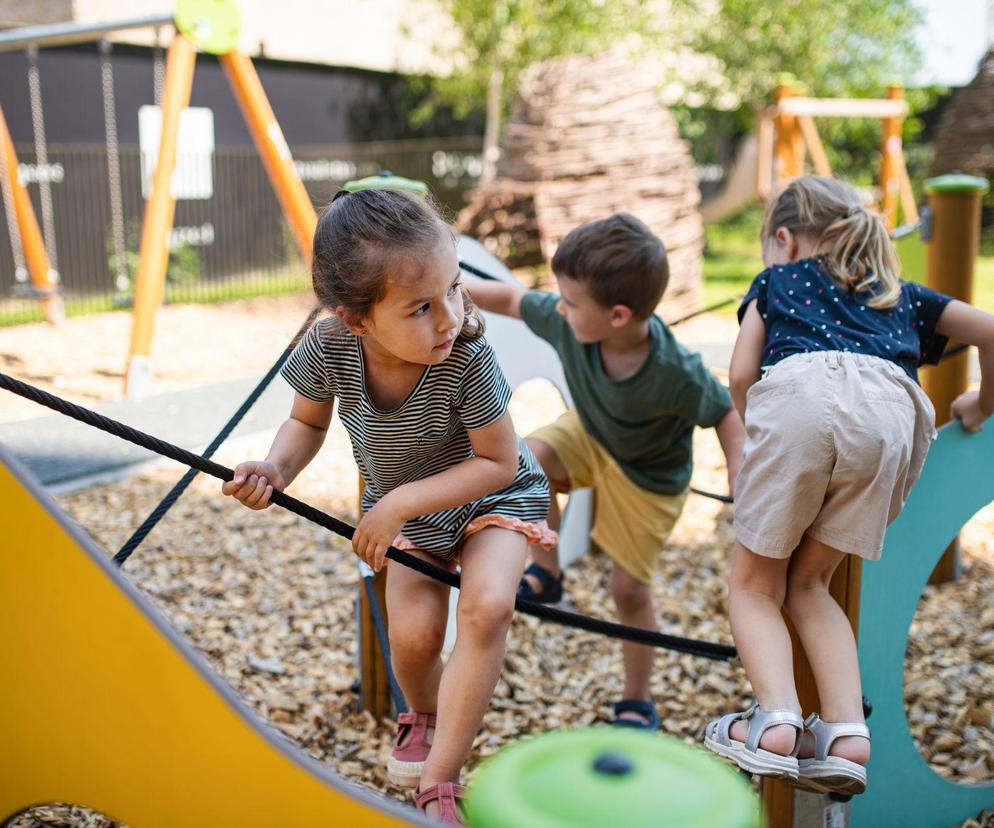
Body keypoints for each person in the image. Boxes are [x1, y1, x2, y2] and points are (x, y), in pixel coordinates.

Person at [222, 188, 554, 824]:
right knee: (414, 636)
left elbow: (498, 463)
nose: (449, 317)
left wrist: (398, 501)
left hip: (493, 496)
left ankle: (441, 778)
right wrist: (274, 468)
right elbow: (306, 424)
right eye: (422, 307)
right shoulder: (329, 350)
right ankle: (425, 712)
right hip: (411, 516)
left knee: (486, 609)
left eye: (454, 289)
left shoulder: (466, 354)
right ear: (356, 319)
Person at [704, 175, 994, 796]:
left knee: (755, 587)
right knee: (810, 583)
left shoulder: (776, 282)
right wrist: (981, 400)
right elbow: (992, 331)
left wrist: (763, 449)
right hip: (890, 415)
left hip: (799, 398)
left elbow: (740, 373)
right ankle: (844, 735)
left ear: (782, 238)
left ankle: (775, 722)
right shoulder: (902, 294)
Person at [468, 213, 745, 729]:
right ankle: (546, 574)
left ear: (618, 316)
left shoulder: (674, 371)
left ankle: (638, 698)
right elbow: (508, 299)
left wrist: (740, 472)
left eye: (571, 301)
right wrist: (447, 286)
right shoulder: (569, 320)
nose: (559, 306)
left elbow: (725, 411)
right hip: (594, 433)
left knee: (627, 591)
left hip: (649, 478)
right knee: (523, 460)